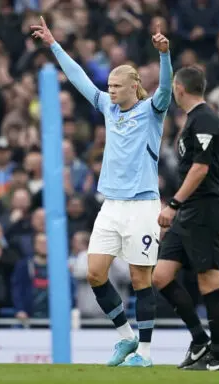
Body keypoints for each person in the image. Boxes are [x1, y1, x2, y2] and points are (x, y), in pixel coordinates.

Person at [32, 17, 172, 367]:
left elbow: (166, 91)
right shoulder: (108, 109)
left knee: (141, 278)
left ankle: (146, 353)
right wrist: (54, 44)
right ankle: (125, 337)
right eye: (108, 85)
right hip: (110, 204)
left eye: (115, 85)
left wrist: (165, 57)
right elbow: (79, 77)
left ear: (133, 87)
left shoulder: (151, 111)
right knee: (94, 272)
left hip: (142, 205)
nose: (109, 90)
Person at [153, 66, 219, 371]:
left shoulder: (205, 119)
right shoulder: (193, 120)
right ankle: (200, 341)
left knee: (208, 279)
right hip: (188, 211)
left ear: (179, 88)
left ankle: (218, 355)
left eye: (173, 87)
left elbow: (201, 168)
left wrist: (173, 204)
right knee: (160, 276)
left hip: (204, 208)